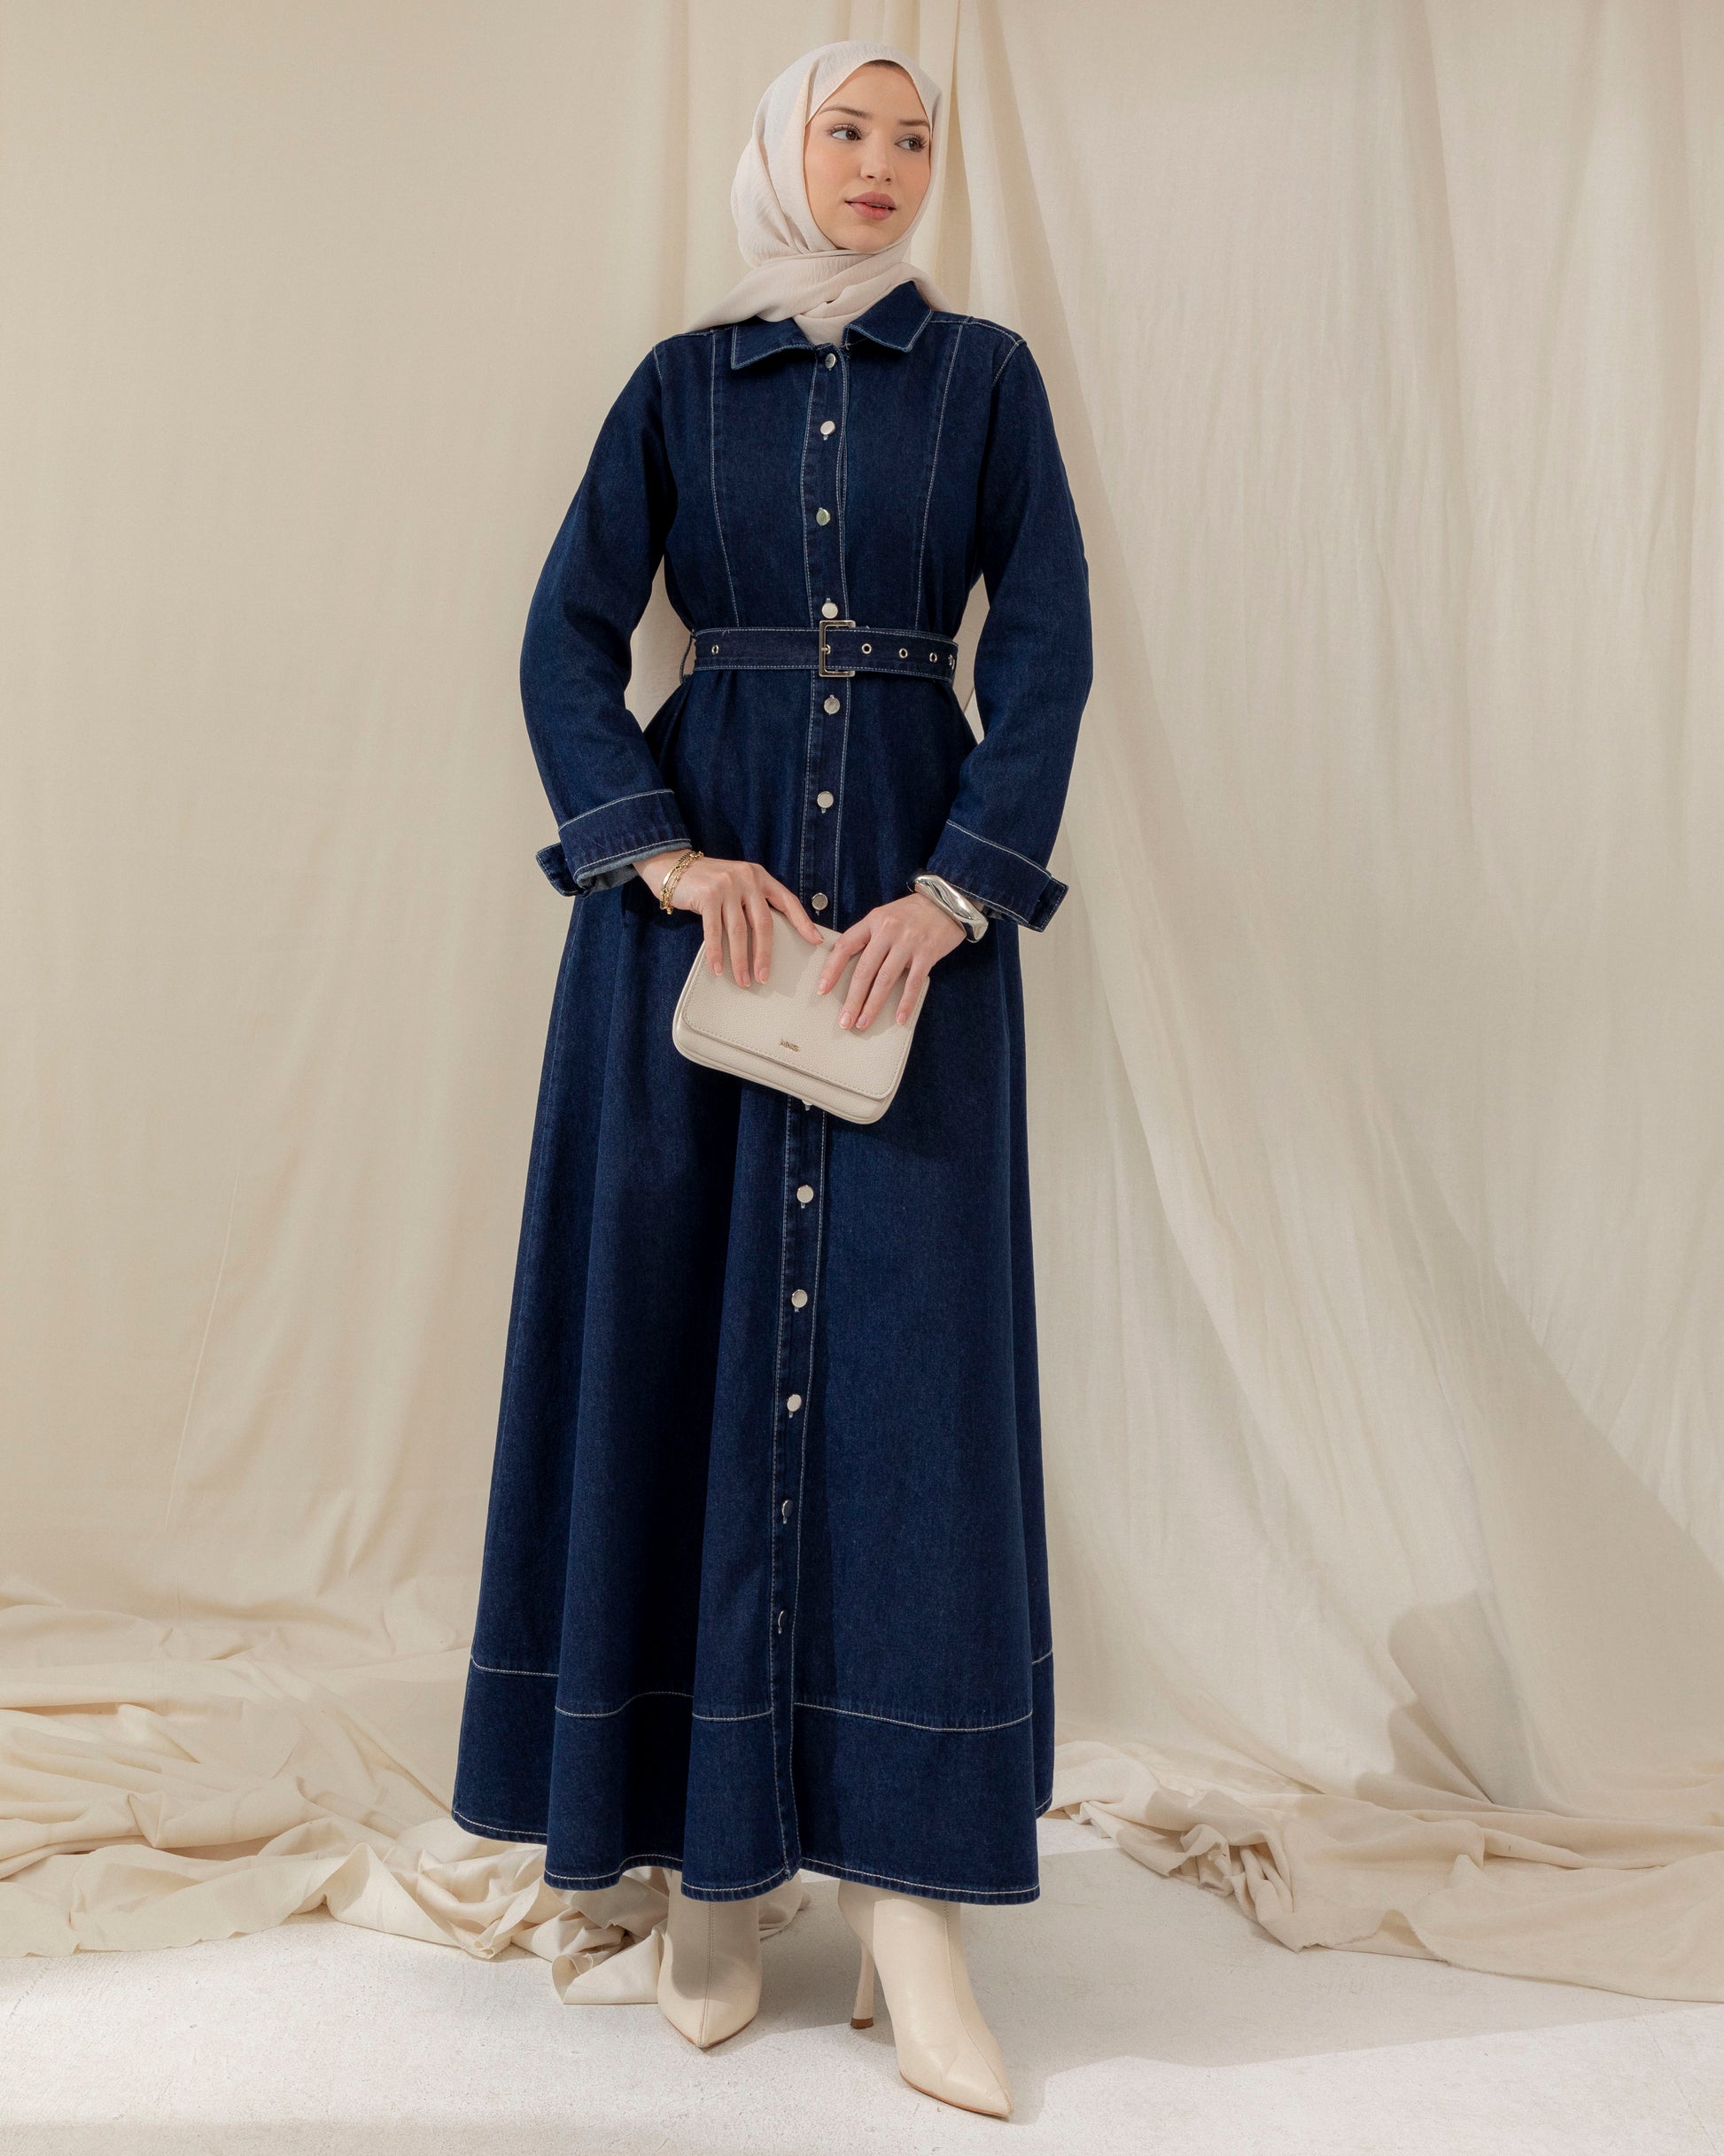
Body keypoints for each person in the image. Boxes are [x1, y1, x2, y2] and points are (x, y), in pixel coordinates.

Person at [450, 38, 1092, 2120]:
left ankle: (910, 1909)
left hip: (907, 934)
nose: (883, 164)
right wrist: (660, 853)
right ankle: (703, 1868)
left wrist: (956, 891)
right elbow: (564, 638)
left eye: (914, 138)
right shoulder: (676, 385)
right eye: (848, 129)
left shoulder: (983, 380)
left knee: (912, 1383)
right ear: (778, 150)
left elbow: (1046, 646)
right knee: (673, 1344)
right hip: (697, 940)